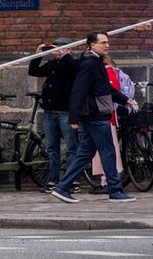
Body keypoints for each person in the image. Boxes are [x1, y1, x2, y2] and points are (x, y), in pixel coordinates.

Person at [51, 32, 134, 204]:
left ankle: (62, 187)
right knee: (108, 152)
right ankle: (115, 190)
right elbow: (78, 90)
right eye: (103, 42)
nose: (107, 45)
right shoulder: (90, 64)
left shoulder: (97, 62)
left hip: (94, 115)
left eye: (108, 42)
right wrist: (73, 118)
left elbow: (105, 89)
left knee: (84, 154)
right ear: (91, 45)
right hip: (96, 115)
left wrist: (125, 100)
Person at [27, 38, 80, 193]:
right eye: (56, 47)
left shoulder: (73, 63)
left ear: (69, 49)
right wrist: (38, 55)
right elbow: (33, 71)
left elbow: (72, 70)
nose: (57, 50)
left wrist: (65, 55)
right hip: (50, 113)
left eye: (62, 48)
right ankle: (53, 180)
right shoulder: (51, 65)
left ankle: (72, 181)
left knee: (71, 148)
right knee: (51, 148)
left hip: (66, 112)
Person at [86, 54, 126, 195]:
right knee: (102, 150)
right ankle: (107, 180)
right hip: (104, 114)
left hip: (104, 115)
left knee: (106, 150)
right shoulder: (107, 70)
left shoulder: (106, 70)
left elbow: (109, 90)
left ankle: (109, 181)